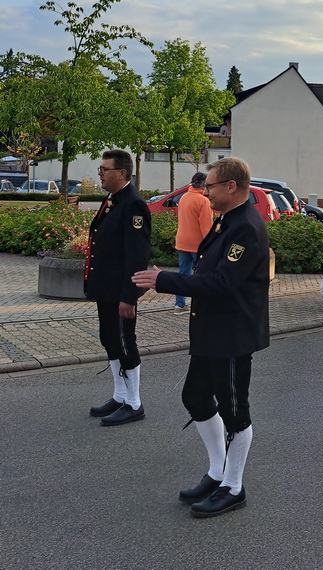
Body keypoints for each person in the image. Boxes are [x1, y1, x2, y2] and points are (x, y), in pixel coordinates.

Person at [132, 157, 269, 518]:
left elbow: (223, 283)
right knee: (195, 396)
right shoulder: (228, 221)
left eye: (209, 185)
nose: (204, 190)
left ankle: (234, 487)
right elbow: (209, 268)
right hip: (212, 329)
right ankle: (217, 471)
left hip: (232, 333)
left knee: (235, 412)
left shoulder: (246, 227)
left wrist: (164, 281)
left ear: (231, 186)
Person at [85, 149, 151, 427]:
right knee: (109, 339)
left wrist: (129, 296)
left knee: (125, 343)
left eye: (104, 169)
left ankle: (134, 403)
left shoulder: (133, 204)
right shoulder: (113, 200)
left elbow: (137, 257)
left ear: (121, 173)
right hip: (106, 288)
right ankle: (120, 395)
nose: (100, 173)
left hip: (120, 292)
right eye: (100, 169)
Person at [174, 172, 214, 315]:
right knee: (202, 275)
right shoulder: (203, 201)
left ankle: (179, 305)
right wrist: (210, 245)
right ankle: (201, 305)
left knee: (183, 274)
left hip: (182, 240)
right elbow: (206, 227)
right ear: (203, 185)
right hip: (197, 244)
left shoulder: (184, 197)